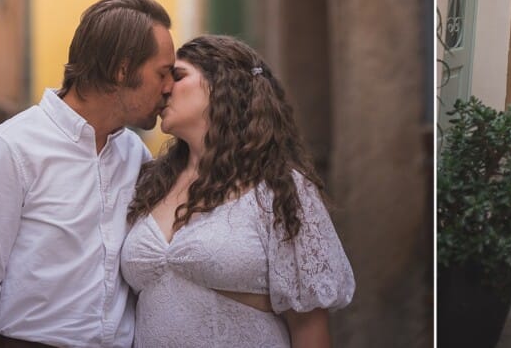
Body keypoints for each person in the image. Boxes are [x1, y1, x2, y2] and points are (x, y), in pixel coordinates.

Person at [0, 0, 176, 348]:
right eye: (162, 73)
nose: (170, 87)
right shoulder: (8, 149)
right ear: (122, 70)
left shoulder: (134, 154)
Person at [122, 34, 354, 347]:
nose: (164, 88)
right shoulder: (150, 182)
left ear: (222, 85)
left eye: (177, 76)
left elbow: (309, 327)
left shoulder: (279, 188)